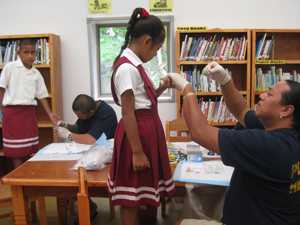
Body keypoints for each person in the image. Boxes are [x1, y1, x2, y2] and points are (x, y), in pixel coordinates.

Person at [168, 62, 300, 225]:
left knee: (180, 222)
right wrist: (225, 80)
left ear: (286, 110)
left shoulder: (270, 145)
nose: (262, 95)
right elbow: (241, 111)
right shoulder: (284, 132)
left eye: (270, 94)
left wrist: (187, 90)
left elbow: (199, 131)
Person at [107, 7, 175, 225]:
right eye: (156, 49)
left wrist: (163, 87)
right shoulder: (127, 69)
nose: (155, 54)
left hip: (145, 131)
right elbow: (128, 112)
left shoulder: (136, 65)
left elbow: (144, 100)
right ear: (147, 41)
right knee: (131, 198)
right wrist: (137, 152)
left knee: (142, 193)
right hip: (136, 136)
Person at [0, 39, 59, 168]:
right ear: (18, 52)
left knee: (29, 149)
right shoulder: (10, 67)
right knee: (16, 152)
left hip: (29, 114)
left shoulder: (36, 73)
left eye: (33, 52)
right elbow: (1, 89)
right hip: (12, 113)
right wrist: (3, 111)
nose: (30, 55)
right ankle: (19, 179)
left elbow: (42, 95)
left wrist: (50, 114)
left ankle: (27, 176)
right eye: (26, 52)